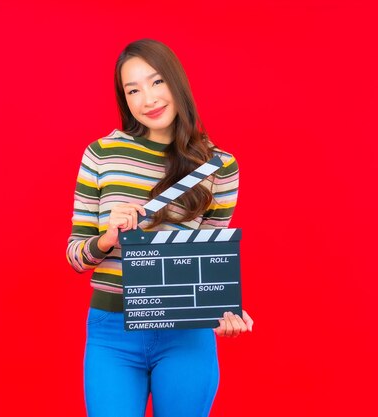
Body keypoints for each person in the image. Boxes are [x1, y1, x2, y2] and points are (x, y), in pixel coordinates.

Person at [66, 39, 254, 417]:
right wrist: (105, 239)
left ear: (175, 82)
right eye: (132, 89)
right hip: (111, 332)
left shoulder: (219, 166)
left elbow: (210, 262)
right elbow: (75, 256)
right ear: (124, 98)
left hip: (185, 336)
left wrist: (226, 311)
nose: (147, 98)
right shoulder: (102, 154)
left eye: (155, 82)